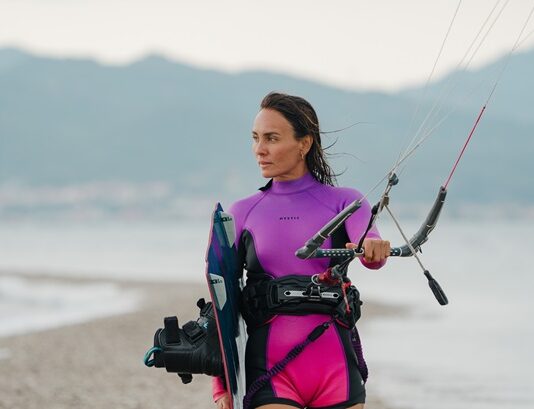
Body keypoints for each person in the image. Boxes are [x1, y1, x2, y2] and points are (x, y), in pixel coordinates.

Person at [213, 92, 390, 409]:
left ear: (304, 144)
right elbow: (221, 299)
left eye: (271, 138)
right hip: (270, 372)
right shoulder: (242, 212)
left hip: (337, 371)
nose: (259, 149)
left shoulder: (346, 202)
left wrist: (373, 247)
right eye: (255, 138)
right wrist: (221, 383)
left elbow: (369, 248)